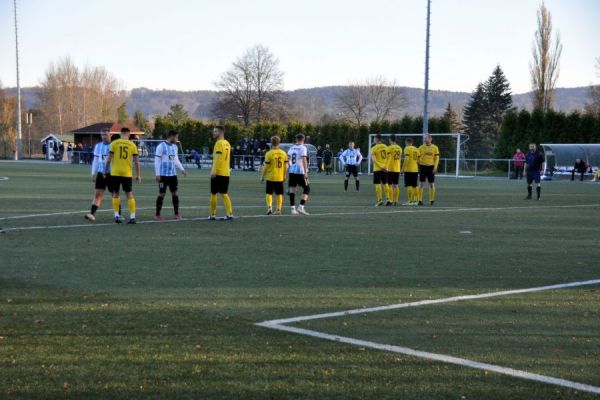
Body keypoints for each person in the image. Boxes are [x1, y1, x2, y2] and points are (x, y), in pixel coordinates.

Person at [104, 127, 141, 224]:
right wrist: (138, 175)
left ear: (121, 134)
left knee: (116, 194)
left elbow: (109, 159)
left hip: (115, 173)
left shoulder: (114, 143)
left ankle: (116, 216)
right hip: (127, 173)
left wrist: (105, 170)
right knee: (129, 194)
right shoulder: (132, 145)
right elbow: (137, 162)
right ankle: (132, 217)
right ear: (128, 134)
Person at [154, 130, 187, 221]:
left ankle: (176, 213)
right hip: (163, 175)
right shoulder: (161, 146)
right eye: (176, 137)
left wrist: (182, 169)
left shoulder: (174, 147)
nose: (177, 139)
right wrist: (157, 174)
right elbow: (157, 161)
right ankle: (157, 214)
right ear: (171, 136)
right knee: (162, 194)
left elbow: (176, 160)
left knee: (175, 193)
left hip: (173, 175)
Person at [85, 130, 113, 222]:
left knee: (114, 194)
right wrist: (93, 173)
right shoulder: (98, 146)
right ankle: (92, 214)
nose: (104, 136)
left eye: (105, 134)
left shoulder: (114, 145)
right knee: (98, 194)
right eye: (102, 135)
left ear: (110, 135)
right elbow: (96, 160)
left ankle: (118, 214)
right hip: (101, 174)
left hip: (112, 174)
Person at [209, 125, 234, 220]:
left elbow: (218, 158)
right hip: (226, 172)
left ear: (220, 132)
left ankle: (213, 214)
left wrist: (214, 170)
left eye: (215, 131)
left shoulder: (219, 143)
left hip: (218, 172)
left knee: (213, 193)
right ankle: (229, 213)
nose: (213, 133)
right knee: (224, 193)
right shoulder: (227, 143)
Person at [261, 135, 287, 215]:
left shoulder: (269, 153)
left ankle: (269, 207)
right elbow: (285, 166)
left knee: (269, 193)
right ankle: (278, 209)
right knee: (279, 194)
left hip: (270, 177)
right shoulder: (283, 153)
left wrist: (262, 176)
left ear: (271, 143)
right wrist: (284, 176)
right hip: (279, 177)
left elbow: (265, 167)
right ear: (279, 143)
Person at [287, 134, 310, 215]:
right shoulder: (303, 148)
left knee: (292, 190)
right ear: (303, 140)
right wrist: (306, 171)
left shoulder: (291, 148)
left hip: (292, 171)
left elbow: (288, 159)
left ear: (296, 139)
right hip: (300, 171)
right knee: (307, 189)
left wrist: (290, 167)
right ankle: (301, 207)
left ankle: (293, 209)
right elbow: (304, 159)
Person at [417, 134, 440, 206]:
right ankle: (419, 200)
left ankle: (432, 200)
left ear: (430, 139)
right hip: (423, 167)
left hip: (431, 167)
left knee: (431, 184)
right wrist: (418, 161)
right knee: (421, 184)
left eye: (426, 138)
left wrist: (435, 167)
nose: (425, 139)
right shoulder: (420, 147)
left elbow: (437, 158)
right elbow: (418, 157)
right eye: (424, 138)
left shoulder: (435, 147)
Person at [371, 134, 389, 206]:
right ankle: (388, 199)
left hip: (377, 169)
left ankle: (379, 200)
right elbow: (389, 158)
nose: (373, 140)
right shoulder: (386, 147)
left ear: (376, 139)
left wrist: (381, 166)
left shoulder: (374, 148)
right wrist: (385, 166)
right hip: (385, 168)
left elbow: (374, 160)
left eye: (374, 139)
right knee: (385, 183)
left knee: (378, 184)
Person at [402, 137, 420, 205]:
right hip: (415, 169)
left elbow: (406, 159)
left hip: (408, 169)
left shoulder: (407, 148)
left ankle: (410, 201)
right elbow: (418, 161)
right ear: (412, 142)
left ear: (406, 142)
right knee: (415, 185)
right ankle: (416, 200)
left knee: (409, 185)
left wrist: (403, 168)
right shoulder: (416, 149)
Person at [386, 135, 403, 206]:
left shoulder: (389, 148)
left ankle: (390, 200)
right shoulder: (400, 148)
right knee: (396, 185)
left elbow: (387, 158)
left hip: (390, 168)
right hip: (397, 168)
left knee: (389, 185)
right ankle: (396, 200)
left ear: (390, 139)